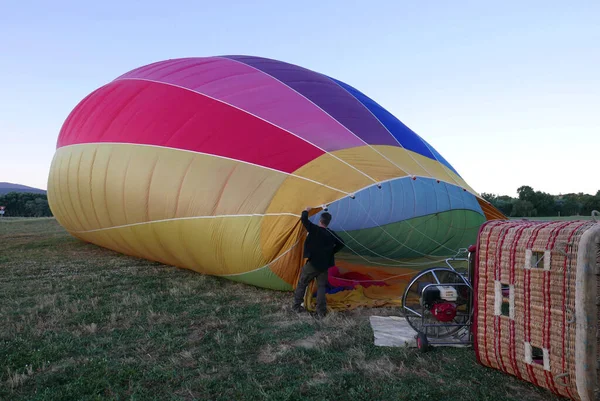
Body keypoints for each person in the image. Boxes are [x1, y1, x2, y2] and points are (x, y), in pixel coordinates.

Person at [292, 207, 345, 317]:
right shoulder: (331, 234)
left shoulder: (314, 229)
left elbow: (304, 219)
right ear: (328, 222)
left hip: (313, 264)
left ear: (320, 220)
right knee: (321, 287)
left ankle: (296, 306)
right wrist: (331, 252)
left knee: (302, 283)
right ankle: (321, 311)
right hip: (324, 266)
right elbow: (342, 243)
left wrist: (306, 210)